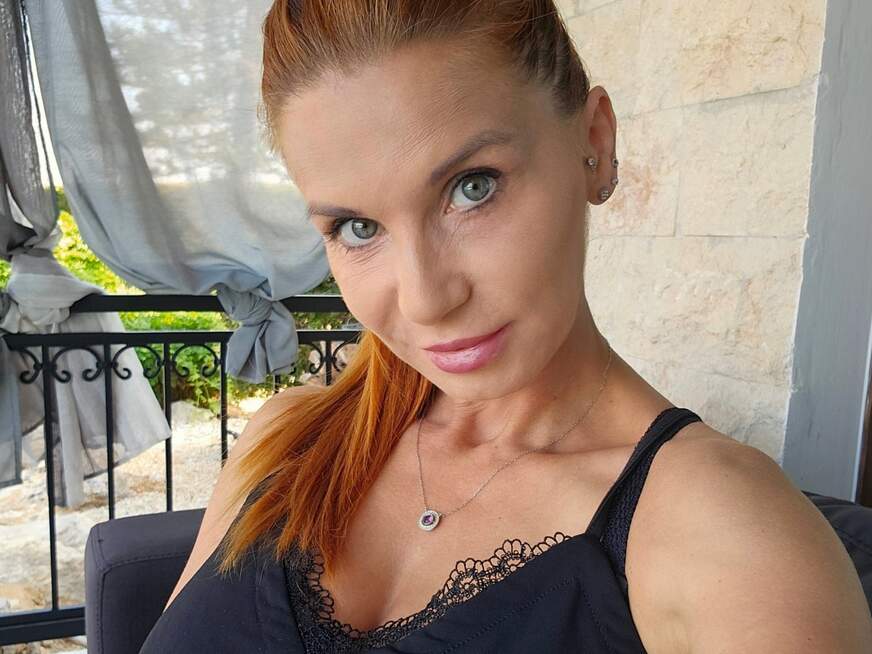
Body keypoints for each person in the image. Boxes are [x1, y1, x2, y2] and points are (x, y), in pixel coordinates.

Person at [140, 1, 872, 652]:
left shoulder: (724, 528)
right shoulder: (284, 439)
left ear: (595, 144)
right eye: (357, 227)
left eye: (473, 187)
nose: (426, 300)